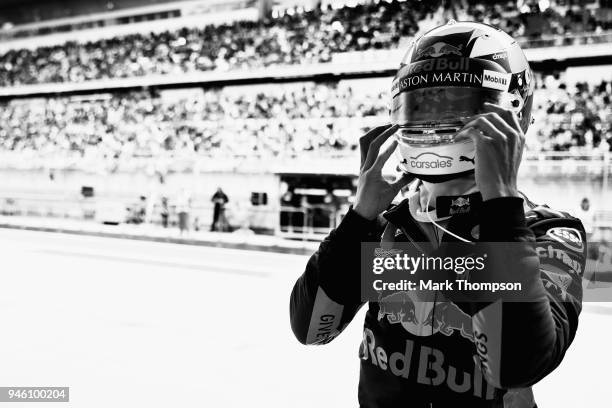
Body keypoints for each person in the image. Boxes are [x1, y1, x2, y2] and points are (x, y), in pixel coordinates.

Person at [290, 21, 586, 408]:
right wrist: (359, 216)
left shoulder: (553, 233)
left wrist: (500, 207)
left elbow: (517, 367)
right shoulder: (388, 227)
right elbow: (312, 330)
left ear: (513, 113)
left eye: (456, 104)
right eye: (423, 104)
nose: (433, 121)